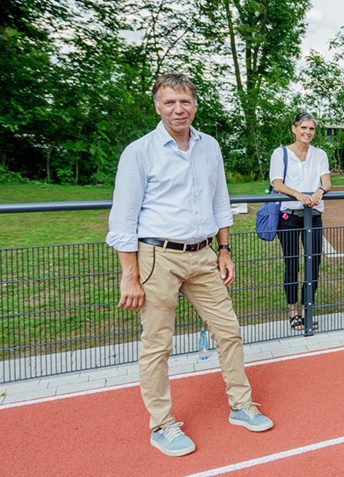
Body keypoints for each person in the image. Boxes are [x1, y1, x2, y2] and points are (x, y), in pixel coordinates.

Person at [106, 73, 273, 458]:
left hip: (203, 254)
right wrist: (129, 275)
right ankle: (162, 424)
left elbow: (220, 200)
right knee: (157, 344)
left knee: (228, 330)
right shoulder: (139, 152)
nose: (178, 110)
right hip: (156, 257)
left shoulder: (208, 146)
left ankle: (241, 406)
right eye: (169, 103)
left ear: (194, 104)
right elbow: (123, 218)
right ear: (157, 106)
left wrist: (225, 250)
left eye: (185, 102)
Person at [269, 112, 331, 331]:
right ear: (294, 128)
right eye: (303, 128)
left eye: (311, 129)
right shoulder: (281, 153)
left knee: (313, 263)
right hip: (290, 217)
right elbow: (277, 183)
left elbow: (326, 181)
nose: (307, 132)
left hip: (313, 217)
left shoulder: (320, 154)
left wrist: (319, 191)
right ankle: (293, 311)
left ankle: (307, 309)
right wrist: (298, 195)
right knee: (292, 264)